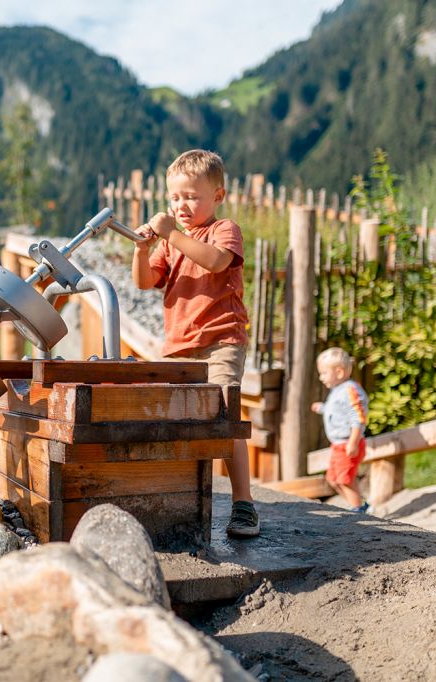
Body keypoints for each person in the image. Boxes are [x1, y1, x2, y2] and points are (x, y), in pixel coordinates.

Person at [131, 149, 259, 538]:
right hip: (178, 346)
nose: (181, 205)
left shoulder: (224, 230)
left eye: (191, 196)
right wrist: (142, 248)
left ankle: (243, 504)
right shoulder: (171, 245)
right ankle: (182, 496)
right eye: (174, 197)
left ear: (217, 196)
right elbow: (143, 282)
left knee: (225, 413)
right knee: (179, 418)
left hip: (221, 340)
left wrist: (170, 232)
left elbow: (216, 263)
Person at [312, 347, 370, 513]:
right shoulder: (338, 391)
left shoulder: (350, 390)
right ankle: (360, 505)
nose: (321, 378)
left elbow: (358, 417)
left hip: (348, 444)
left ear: (338, 372)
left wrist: (353, 441)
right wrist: (322, 408)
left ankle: (358, 510)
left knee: (345, 479)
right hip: (337, 445)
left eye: (323, 373)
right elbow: (337, 411)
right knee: (333, 479)